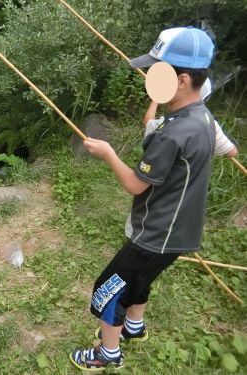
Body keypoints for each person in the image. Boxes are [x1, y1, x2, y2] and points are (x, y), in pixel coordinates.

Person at [69, 27, 222, 372]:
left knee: (108, 291)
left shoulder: (173, 133)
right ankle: (133, 327)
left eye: (159, 71)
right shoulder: (202, 118)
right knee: (139, 280)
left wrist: (107, 152)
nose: (152, 77)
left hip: (155, 235)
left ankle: (107, 354)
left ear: (181, 80)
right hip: (179, 233)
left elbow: (136, 186)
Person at [125, 78, 238, 238]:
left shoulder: (169, 126)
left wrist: (155, 99)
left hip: (156, 193)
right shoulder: (210, 125)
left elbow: (148, 121)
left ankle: (135, 236)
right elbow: (232, 151)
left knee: (148, 209)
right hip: (183, 198)